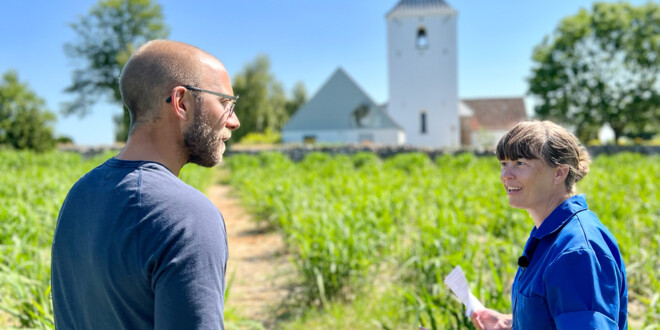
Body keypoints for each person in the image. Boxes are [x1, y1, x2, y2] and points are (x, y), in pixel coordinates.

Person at [51, 40, 240, 329]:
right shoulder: (188, 219)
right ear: (181, 102)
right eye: (226, 103)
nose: (234, 121)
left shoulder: (79, 195)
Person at [471, 121, 627, 330]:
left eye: (520, 163)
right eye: (504, 163)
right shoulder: (550, 236)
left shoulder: (576, 253)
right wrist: (510, 324)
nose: (506, 175)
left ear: (559, 173)